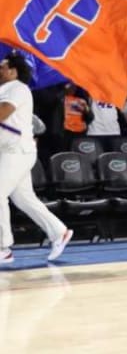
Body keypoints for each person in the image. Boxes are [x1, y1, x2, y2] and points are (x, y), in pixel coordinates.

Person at [0, 54, 72, 264]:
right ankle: (59, 232)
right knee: (23, 199)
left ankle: (3, 247)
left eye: (3, 67)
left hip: (17, 150)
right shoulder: (4, 89)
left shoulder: (18, 88)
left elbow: (3, 112)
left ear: (14, 71)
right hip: (9, 150)